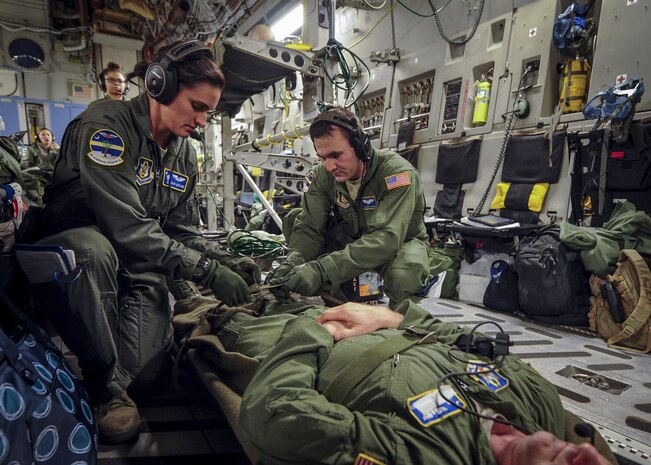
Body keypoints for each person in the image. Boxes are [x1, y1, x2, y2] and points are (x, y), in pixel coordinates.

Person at [32, 39, 260, 444]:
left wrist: (222, 257)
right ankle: (105, 388)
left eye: (210, 111)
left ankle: (124, 372)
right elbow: (126, 226)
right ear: (161, 85)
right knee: (93, 251)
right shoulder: (106, 127)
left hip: (136, 256)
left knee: (147, 377)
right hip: (82, 244)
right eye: (198, 107)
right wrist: (204, 269)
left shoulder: (184, 155)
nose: (203, 122)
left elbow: (180, 228)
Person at [176, 298, 615, 465]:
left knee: (229, 307)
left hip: (288, 338)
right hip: (372, 322)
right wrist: (392, 317)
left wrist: (312, 334)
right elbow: (473, 345)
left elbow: (277, 414)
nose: (581, 459)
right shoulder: (538, 406)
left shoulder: (427, 454)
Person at [267, 106, 433, 306]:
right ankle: (337, 294)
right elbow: (310, 228)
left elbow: (386, 239)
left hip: (399, 242)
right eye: (322, 158)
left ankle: (398, 316)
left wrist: (322, 270)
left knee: (403, 277)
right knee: (295, 219)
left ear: (361, 146)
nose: (329, 166)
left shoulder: (396, 174)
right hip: (354, 237)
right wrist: (293, 262)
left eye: (336, 155)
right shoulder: (322, 175)